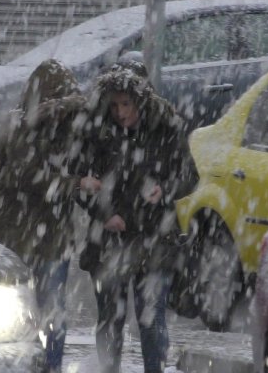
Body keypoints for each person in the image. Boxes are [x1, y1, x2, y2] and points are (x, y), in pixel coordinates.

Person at [78, 60, 189, 373]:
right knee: (110, 322)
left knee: (151, 322)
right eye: (114, 105)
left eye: (126, 104)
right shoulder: (98, 133)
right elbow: (81, 183)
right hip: (109, 242)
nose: (120, 112)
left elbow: (189, 174)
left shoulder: (166, 129)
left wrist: (165, 189)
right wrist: (104, 214)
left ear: (140, 101)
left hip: (155, 239)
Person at [0, 58, 95, 373]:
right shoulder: (22, 129)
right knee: (21, 311)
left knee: (52, 310)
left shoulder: (70, 128)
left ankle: (50, 367)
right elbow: (28, 176)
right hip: (20, 238)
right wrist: (75, 183)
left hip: (50, 239)